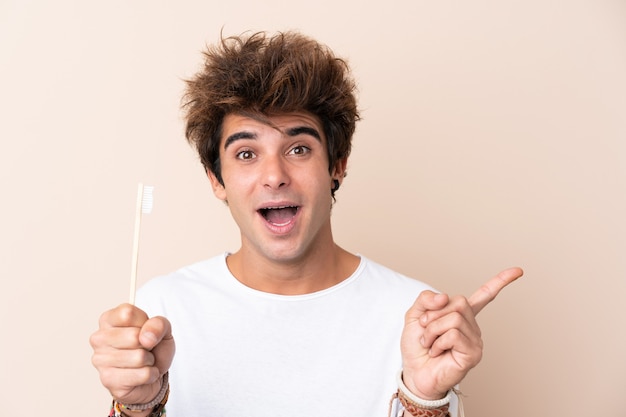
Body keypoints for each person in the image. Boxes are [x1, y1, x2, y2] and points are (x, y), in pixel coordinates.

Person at [90, 31, 523, 417]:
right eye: (246, 153)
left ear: (337, 164)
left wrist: (424, 400)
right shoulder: (161, 310)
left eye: (298, 148)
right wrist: (136, 408)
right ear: (216, 180)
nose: (274, 174)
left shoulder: (415, 316)